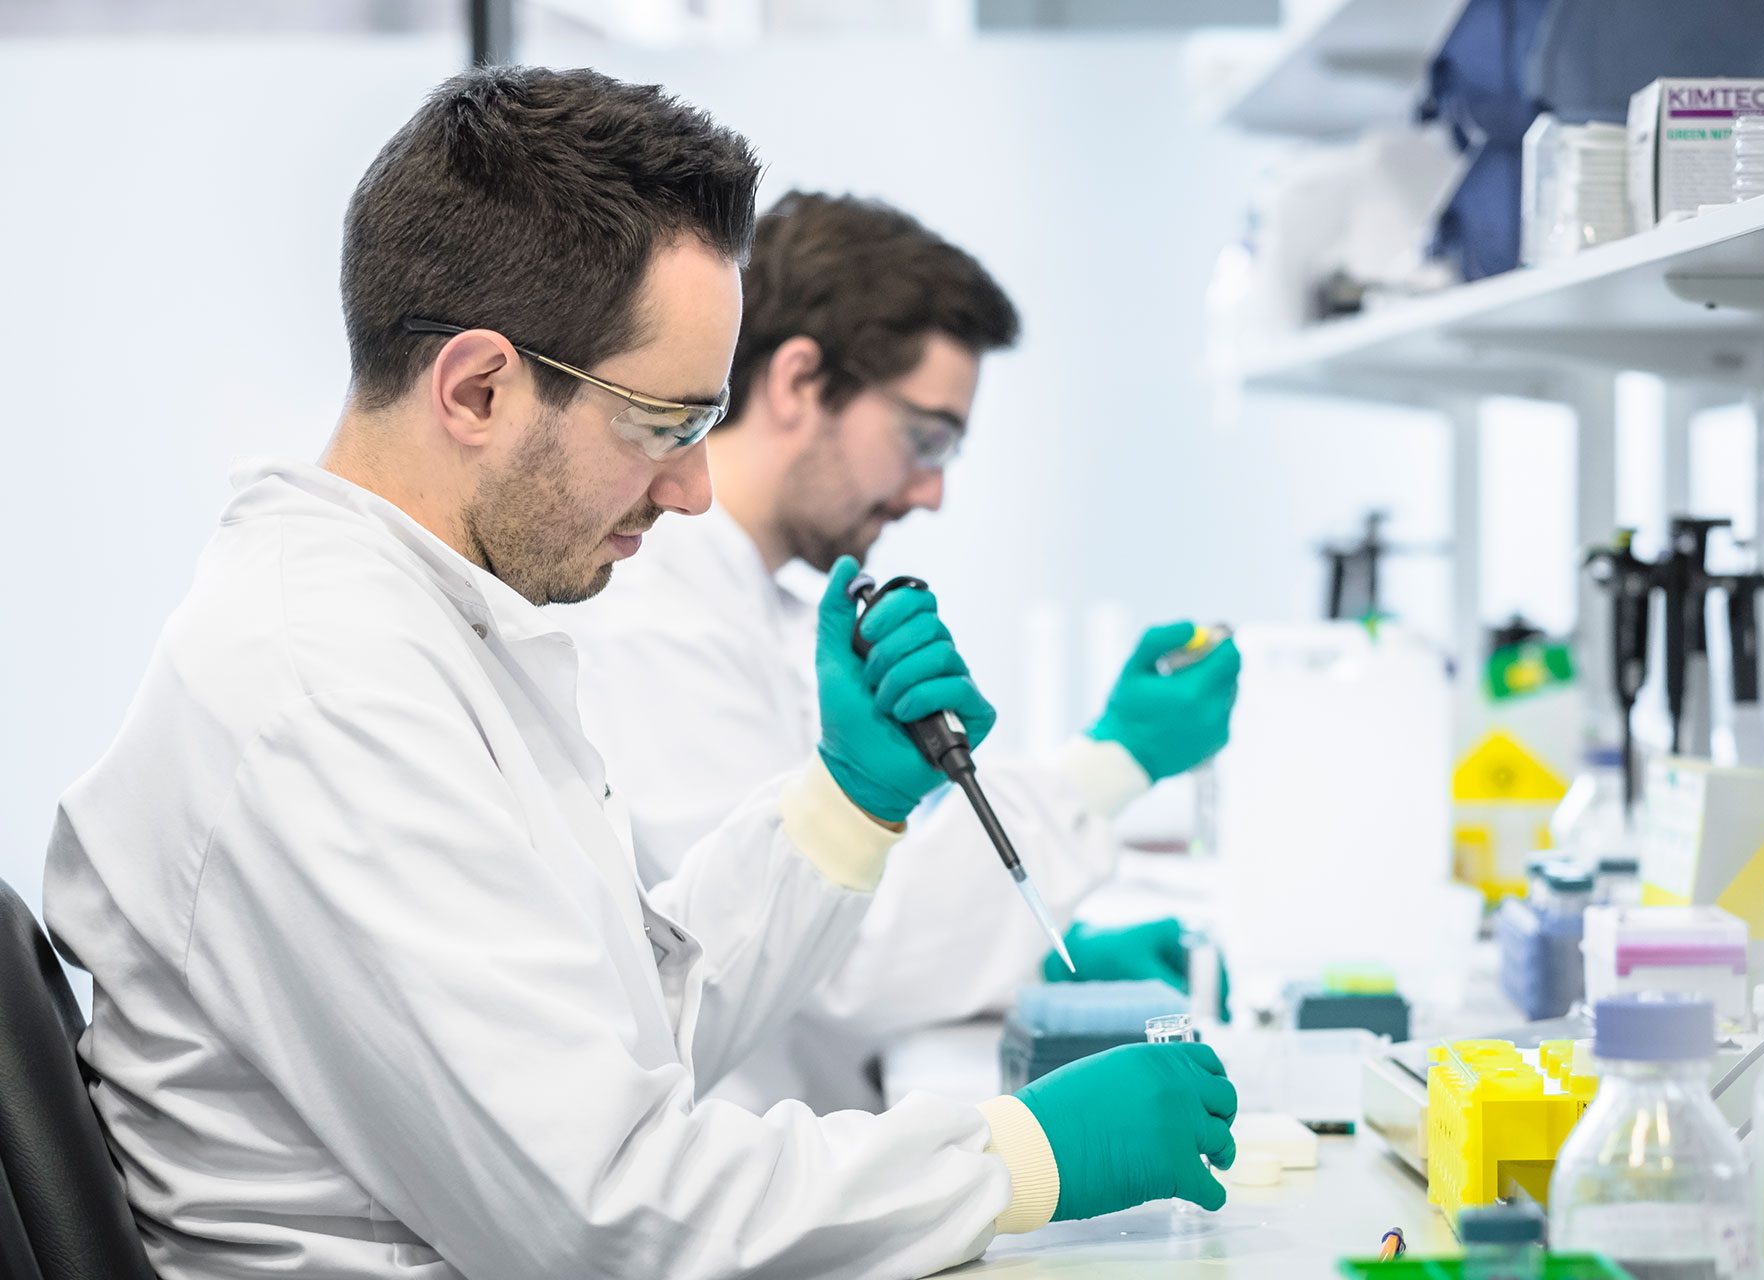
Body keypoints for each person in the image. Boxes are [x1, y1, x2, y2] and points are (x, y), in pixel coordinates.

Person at [41, 67, 1235, 1280]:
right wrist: (1011, 1157)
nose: (695, 487)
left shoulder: (431, 630)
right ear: (478, 388)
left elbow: (625, 1039)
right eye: (663, 424)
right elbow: (602, 1211)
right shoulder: (321, 687)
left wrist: (844, 804)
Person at [565, 191, 1244, 1113]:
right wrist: (1110, 763)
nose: (930, 493)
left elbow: (851, 901)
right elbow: (844, 961)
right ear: (801, 383)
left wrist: (1037, 966)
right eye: (925, 437)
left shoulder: (752, 608)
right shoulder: (656, 614)